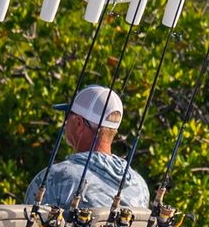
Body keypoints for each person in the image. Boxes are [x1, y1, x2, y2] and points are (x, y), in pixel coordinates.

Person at [24, 83, 151, 216]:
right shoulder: (140, 185)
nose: (65, 122)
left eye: (68, 115)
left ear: (79, 123)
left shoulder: (53, 178)